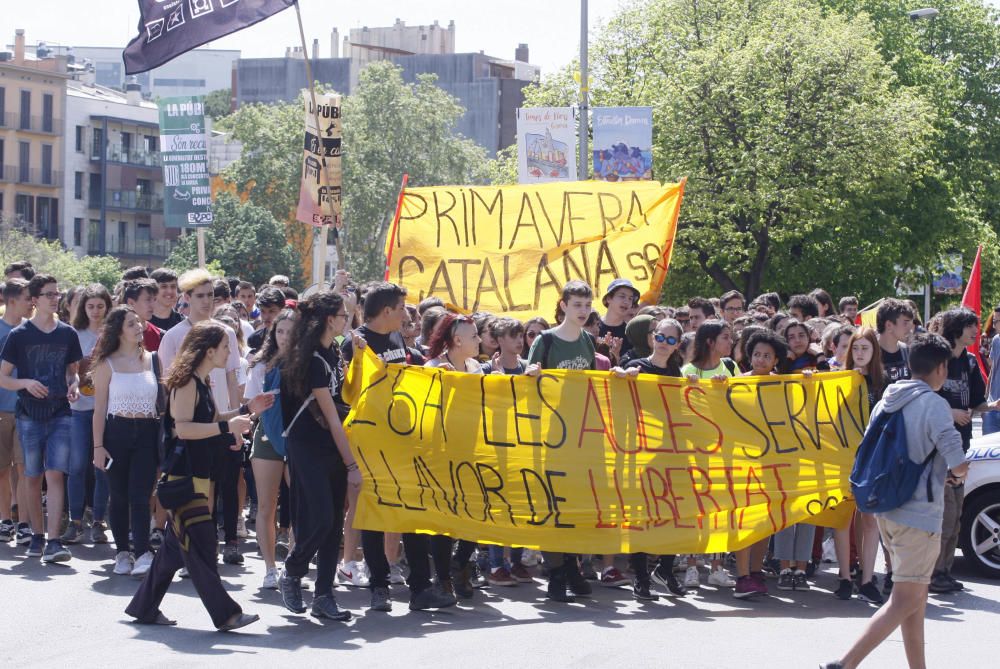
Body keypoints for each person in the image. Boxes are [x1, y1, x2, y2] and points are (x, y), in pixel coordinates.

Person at [825, 334, 969, 669]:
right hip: (919, 513)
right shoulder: (934, 404)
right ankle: (844, 664)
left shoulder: (889, 398)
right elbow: (956, 459)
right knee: (905, 599)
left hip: (887, 507)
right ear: (942, 367)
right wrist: (959, 473)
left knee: (915, 598)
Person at [126, 322, 267, 631]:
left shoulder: (201, 381)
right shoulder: (187, 382)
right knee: (202, 547)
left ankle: (143, 607)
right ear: (209, 350)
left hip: (198, 476)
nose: (230, 353)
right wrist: (225, 427)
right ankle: (226, 614)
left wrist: (247, 409)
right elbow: (185, 429)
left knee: (175, 550)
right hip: (183, 478)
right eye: (226, 347)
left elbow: (215, 419)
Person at [342, 282, 456, 612]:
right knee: (377, 517)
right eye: (403, 308)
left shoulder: (394, 337)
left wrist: (430, 371)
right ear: (388, 311)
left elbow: (405, 373)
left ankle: (420, 587)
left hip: (404, 441)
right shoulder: (356, 344)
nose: (408, 314)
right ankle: (379, 587)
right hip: (373, 444)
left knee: (413, 512)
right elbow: (353, 392)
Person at [276, 292, 360, 621]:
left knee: (333, 522)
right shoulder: (310, 359)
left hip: (331, 445)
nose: (347, 320)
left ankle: (324, 595)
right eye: (343, 315)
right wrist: (352, 463)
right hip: (307, 445)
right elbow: (330, 415)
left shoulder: (333, 351)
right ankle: (293, 571)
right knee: (323, 517)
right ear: (329, 319)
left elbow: (345, 398)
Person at [0, 274, 83, 563]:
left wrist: (73, 384)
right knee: (32, 476)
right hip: (29, 415)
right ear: (34, 300)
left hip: (61, 411)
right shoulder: (19, 335)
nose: (55, 298)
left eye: (57, 293)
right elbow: (3, 377)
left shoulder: (67, 333)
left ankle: (54, 541)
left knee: (56, 473)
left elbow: (73, 371)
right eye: (49, 294)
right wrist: (24, 383)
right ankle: (36, 535)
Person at [526, 280, 597, 602]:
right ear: (564, 305)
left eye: (587, 305)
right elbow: (529, 379)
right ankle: (555, 571)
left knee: (575, 504)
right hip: (550, 436)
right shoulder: (545, 341)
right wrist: (533, 374)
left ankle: (572, 566)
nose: (582, 311)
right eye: (577, 304)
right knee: (552, 503)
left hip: (580, 436)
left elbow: (595, 385)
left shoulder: (588, 342)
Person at [616, 317, 688, 600]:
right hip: (641, 453)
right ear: (652, 338)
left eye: (671, 340)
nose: (664, 343)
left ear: (677, 345)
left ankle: (665, 568)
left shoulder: (677, 372)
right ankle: (641, 577)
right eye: (660, 337)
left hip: (671, 453)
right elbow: (614, 379)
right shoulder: (638, 367)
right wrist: (619, 375)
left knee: (675, 514)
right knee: (641, 517)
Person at [930, 308, 1000, 593]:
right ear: (956, 329)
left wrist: (991, 407)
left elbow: (975, 401)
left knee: (956, 514)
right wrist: (951, 410)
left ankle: (944, 571)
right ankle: (933, 572)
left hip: (962, 447)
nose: (976, 332)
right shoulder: (938, 360)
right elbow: (924, 396)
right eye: (970, 327)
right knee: (943, 515)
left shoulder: (970, 362)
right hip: (938, 450)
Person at [89, 306, 161, 577]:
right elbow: (98, 410)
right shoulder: (106, 363)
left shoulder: (153, 359)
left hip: (147, 431)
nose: (139, 327)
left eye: (139, 323)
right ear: (118, 330)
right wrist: (98, 446)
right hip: (115, 432)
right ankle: (122, 552)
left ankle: (143, 551)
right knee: (118, 495)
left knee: (141, 495)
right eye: (132, 324)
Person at [680, 320, 737, 588]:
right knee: (694, 507)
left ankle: (717, 566)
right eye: (726, 337)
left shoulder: (732, 369)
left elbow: (742, 402)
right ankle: (691, 565)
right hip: (695, 452)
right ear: (710, 342)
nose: (731, 342)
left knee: (720, 507)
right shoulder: (687, 371)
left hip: (724, 451)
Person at [244, 308, 295, 590]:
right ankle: (269, 568)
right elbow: (251, 405)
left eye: (290, 331)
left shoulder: (306, 363)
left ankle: (293, 565)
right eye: (280, 331)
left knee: (299, 505)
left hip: (298, 438)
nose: (285, 337)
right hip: (267, 436)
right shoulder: (261, 364)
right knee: (266, 505)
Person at [63, 284, 112, 546]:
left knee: (102, 467)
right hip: (79, 409)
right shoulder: (74, 334)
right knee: (77, 466)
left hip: (106, 410)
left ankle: (99, 521)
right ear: (83, 308)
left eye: (100, 306)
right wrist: (73, 382)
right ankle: (75, 521)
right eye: (90, 306)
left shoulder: (114, 334)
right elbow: (69, 370)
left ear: (107, 306)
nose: (95, 311)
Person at [844, 326, 888, 604]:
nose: (860, 354)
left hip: (871, 459)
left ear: (874, 352)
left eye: (865, 348)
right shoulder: (837, 378)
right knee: (843, 519)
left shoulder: (882, 384)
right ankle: (844, 576)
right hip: (842, 458)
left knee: (870, 519)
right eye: (856, 348)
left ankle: (868, 579)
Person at [0, 279, 32, 546]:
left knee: (24, 469)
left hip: (26, 410)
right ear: (11, 300)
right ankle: (4, 520)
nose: (31, 302)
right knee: (1, 469)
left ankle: (23, 523)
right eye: (26, 297)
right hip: (0, 409)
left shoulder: (30, 330)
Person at [876, 298, 915, 384]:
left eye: (911, 324)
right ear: (889, 325)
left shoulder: (908, 351)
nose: (910, 329)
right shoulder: (869, 352)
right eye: (905, 323)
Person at [599, 279, 640, 357]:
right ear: (609, 298)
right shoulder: (591, 326)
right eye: (622, 296)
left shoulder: (631, 333)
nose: (626, 302)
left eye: (630, 299)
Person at [122, 278, 163, 353]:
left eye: (154, 299)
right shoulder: (111, 336)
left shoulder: (160, 335)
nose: (153, 305)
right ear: (131, 303)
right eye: (148, 299)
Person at [247, 286, 287, 354]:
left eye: (271, 311)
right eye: (262, 311)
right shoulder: (254, 339)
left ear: (282, 310)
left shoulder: (291, 338)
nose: (266, 317)